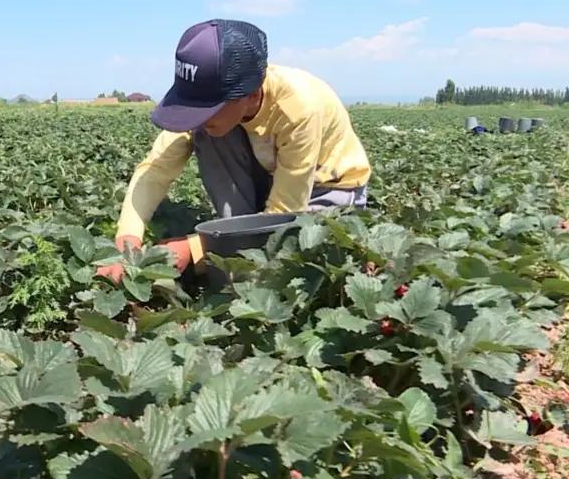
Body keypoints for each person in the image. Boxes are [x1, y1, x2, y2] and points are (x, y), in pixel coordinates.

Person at [99, 19, 371, 282]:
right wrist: (128, 239)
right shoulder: (212, 111)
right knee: (208, 133)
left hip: (325, 190)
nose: (198, 118)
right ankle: (237, 242)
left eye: (208, 109)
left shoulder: (300, 107)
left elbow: (286, 212)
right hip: (270, 175)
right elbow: (156, 169)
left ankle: (238, 251)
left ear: (252, 95)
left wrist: (197, 248)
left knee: (295, 253)